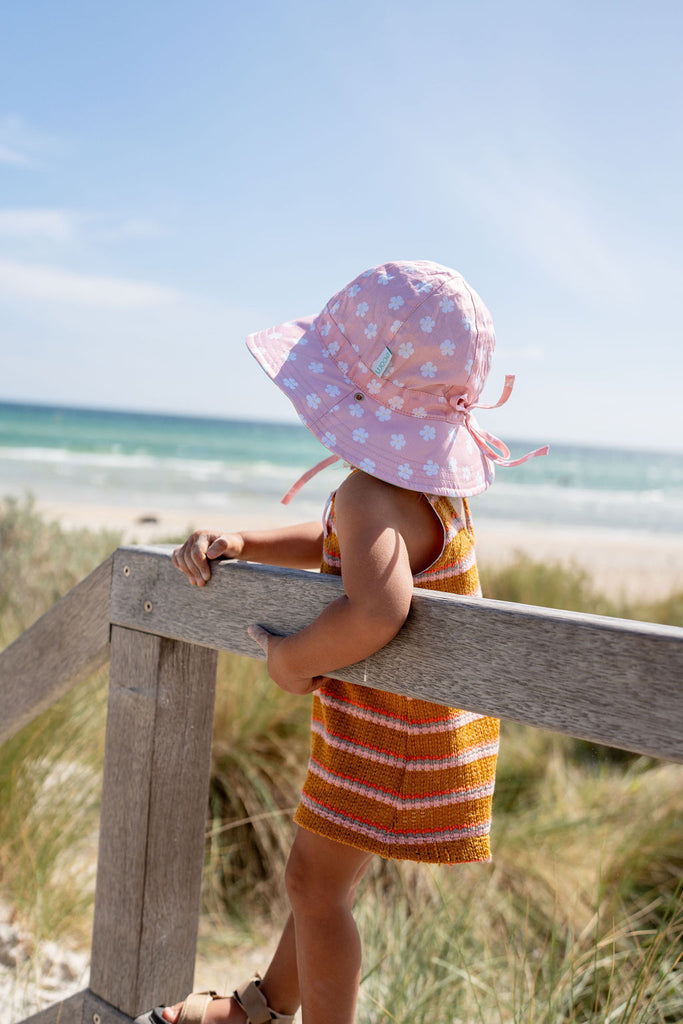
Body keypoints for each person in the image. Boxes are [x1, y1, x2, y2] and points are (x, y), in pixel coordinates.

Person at [136, 260, 548, 1024]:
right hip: (415, 729)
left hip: (388, 743)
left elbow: (377, 607)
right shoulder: (415, 488)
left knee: (312, 888)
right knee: (322, 883)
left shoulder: (367, 492)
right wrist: (249, 538)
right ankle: (259, 1007)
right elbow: (342, 544)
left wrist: (291, 661)